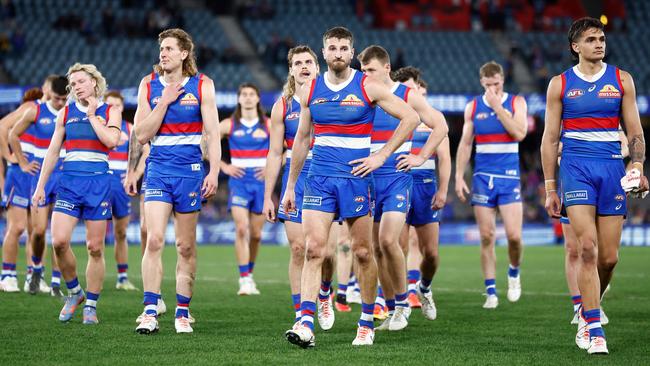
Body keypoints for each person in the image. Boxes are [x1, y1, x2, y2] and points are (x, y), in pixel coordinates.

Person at [283, 26, 419, 347]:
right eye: (332, 48)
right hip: (319, 178)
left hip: (356, 178)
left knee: (361, 252)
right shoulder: (311, 89)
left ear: (351, 51)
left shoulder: (367, 85)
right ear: (324, 52)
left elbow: (411, 117)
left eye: (344, 48)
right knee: (315, 249)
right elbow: (302, 139)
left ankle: (366, 322)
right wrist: (290, 187)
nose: (338, 53)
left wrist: (382, 155)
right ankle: (305, 323)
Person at [541, 17, 648, 355]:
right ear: (576, 47)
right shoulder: (560, 84)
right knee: (586, 247)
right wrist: (550, 188)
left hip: (610, 168)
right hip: (575, 167)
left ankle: (591, 304)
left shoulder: (622, 80)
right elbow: (548, 139)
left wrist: (637, 165)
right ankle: (593, 327)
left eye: (601, 38)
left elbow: (635, 134)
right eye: (591, 39)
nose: (599, 43)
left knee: (610, 259)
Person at [134, 28, 220, 335]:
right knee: (154, 239)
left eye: (169, 49)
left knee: (185, 246)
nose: (163, 54)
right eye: (162, 49)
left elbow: (212, 131)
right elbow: (141, 134)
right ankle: (149, 311)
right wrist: (165, 101)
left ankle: (182, 312)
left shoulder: (202, 84)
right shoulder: (148, 84)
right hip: (158, 168)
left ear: (184, 53)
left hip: (190, 170)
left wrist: (214, 171)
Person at [358, 48, 448, 331]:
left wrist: (421, 157)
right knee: (376, 248)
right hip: (368, 177)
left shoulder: (408, 96)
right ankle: (395, 306)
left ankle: (404, 303)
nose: (366, 76)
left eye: (370, 70)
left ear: (386, 68)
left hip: (397, 177)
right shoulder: (362, 94)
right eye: (363, 71)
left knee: (388, 241)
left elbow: (441, 125)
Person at [32, 63, 122, 325]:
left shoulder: (111, 110)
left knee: (95, 248)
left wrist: (93, 116)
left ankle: (91, 305)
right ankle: (74, 293)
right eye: (73, 84)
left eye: (81, 81)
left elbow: (111, 141)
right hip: (69, 182)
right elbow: (52, 151)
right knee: (58, 241)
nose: (76, 87)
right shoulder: (66, 113)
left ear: (94, 82)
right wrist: (40, 186)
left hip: (98, 183)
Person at [262, 45, 337, 329]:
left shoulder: (332, 96)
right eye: (298, 63)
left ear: (317, 68)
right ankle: (300, 314)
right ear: (291, 70)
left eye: (309, 62)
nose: (304, 66)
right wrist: (269, 195)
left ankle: (325, 292)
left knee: (327, 252)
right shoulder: (282, 105)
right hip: (297, 179)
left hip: (330, 176)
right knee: (297, 248)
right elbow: (273, 153)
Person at [455, 61, 528, 309]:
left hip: (508, 177)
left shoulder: (516, 102)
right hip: (483, 179)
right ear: (481, 83)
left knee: (514, 237)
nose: (492, 89)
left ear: (503, 80)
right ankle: (491, 291)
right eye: (488, 85)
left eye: (496, 84)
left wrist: (498, 108)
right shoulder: (473, 106)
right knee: (487, 236)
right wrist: (458, 176)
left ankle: (514, 272)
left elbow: (519, 133)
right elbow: (465, 144)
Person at [393, 69, 451, 321]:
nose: (409, 93)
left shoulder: (432, 119)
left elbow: (445, 159)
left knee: (432, 253)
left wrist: (443, 189)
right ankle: (401, 301)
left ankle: (424, 288)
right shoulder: (392, 114)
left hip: (426, 187)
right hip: (400, 184)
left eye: (412, 88)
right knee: (400, 246)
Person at [8, 76, 69, 296]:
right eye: (57, 98)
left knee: (59, 234)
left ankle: (54, 282)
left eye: (65, 98)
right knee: (39, 231)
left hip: (64, 176)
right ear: (49, 93)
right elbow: (12, 134)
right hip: (41, 178)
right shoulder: (35, 111)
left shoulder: (72, 111)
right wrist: (23, 162)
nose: (61, 102)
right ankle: (36, 268)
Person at [219, 82, 268, 296]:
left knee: (256, 234)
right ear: (239, 99)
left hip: (261, 182)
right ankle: (244, 278)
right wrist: (224, 167)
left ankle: (249, 273)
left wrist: (271, 166)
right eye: (244, 94)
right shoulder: (230, 124)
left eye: (252, 94)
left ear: (258, 99)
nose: (248, 97)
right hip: (238, 182)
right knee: (241, 229)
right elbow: (205, 143)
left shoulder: (268, 124)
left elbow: (290, 147)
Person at [0, 86, 43, 293]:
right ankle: (7, 275)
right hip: (20, 174)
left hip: (37, 173)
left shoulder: (53, 113)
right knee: (16, 227)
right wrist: (11, 157)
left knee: (36, 230)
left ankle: (32, 276)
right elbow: (2, 126)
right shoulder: (31, 106)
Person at [104, 90, 138, 291]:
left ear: (123, 107)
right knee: (96, 234)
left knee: (121, 231)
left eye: (118, 104)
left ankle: (122, 277)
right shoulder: (96, 125)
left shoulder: (130, 129)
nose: (115, 107)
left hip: (121, 183)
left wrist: (133, 173)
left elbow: (147, 152)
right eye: (111, 104)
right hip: (100, 180)